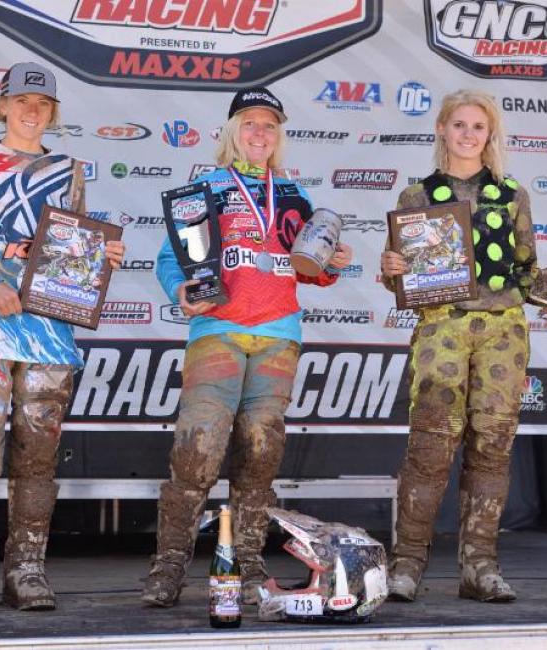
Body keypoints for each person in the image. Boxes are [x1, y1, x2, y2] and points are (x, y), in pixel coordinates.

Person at [142, 87, 353, 608]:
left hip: (278, 335)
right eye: (250, 123)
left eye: (269, 125)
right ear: (233, 131)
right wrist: (179, 289)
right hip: (217, 329)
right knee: (197, 449)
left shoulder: (295, 195)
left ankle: (251, 563)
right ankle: (168, 567)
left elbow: (311, 269)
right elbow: (170, 259)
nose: (260, 133)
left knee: (261, 452)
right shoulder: (206, 189)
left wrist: (332, 263)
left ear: (279, 136)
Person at [0, 62, 125, 613]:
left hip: (49, 330)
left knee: (38, 454)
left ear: (53, 112)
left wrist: (100, 257)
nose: (32, 111)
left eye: (42, 103)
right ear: (3, 106)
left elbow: (70, 246)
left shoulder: (69, 169)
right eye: (22, 101)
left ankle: (27, 570)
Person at [380, 89, 537, 603]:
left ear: (490, 135)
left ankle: (480, 568)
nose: (468, 135)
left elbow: (528, 269)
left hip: (503, 331)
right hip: (441, 328)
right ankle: (406, 565)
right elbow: (398, 277)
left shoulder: (511, 194)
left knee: (492, 448)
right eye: (459, 125)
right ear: (442, 130)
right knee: (429, 447)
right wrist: (391, 269)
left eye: (478, 127)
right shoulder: (416, 197)